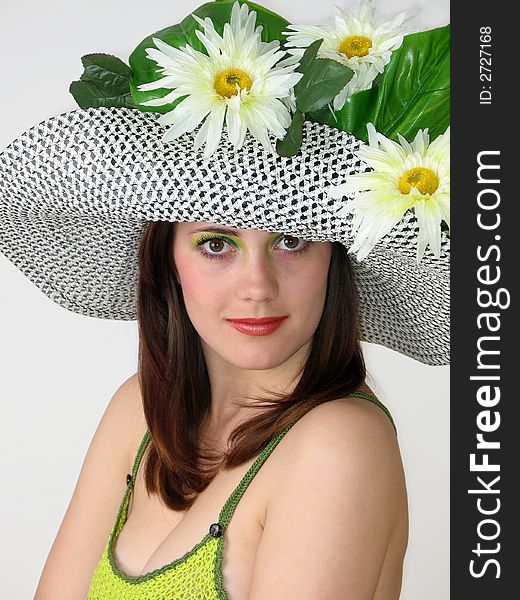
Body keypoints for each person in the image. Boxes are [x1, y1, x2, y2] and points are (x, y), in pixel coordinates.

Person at [0, 2, 449, 598]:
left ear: (336, 263)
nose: (257, 286)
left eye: (292, 241)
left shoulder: (337, 444)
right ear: (167, 261)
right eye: (216, 244)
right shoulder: (139, 412)